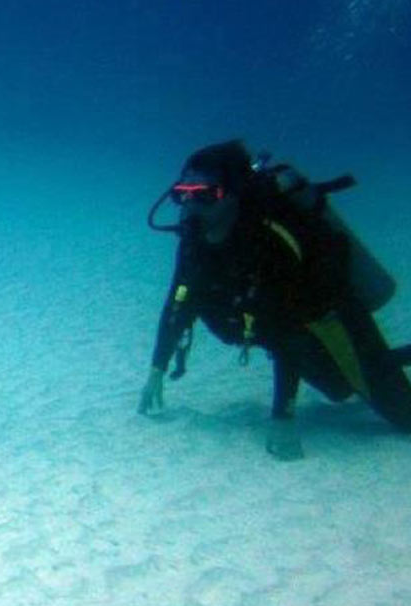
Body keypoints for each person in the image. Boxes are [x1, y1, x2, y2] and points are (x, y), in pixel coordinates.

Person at [138, 139, 411, 459]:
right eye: (183, 195)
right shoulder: (194, 240)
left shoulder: (269, 240)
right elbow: (178, 301)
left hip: (330, 318)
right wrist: (157, 367)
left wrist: (283, 416)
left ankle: (377, 364)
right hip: (283, 332)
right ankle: (375, 364)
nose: (192, 207)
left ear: (235, 194)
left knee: (403, 415)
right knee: (338, 389)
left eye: (206, 195)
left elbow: (287, 333)